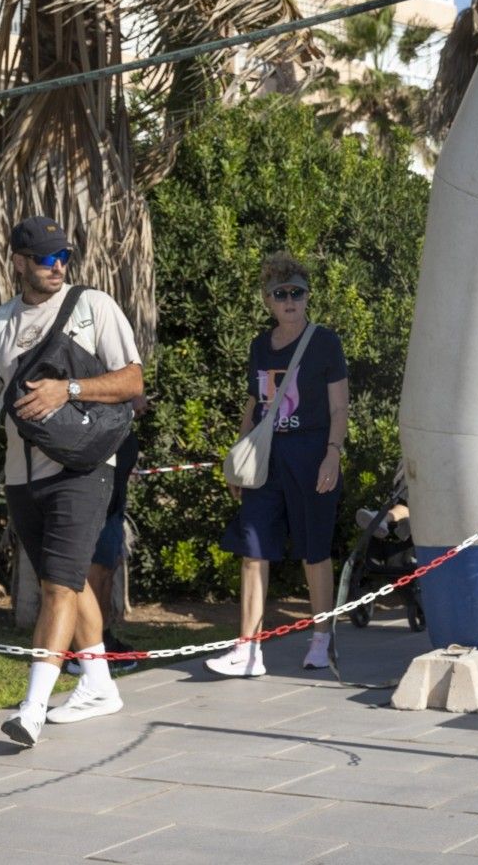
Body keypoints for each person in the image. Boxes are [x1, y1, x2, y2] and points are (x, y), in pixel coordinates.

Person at [0, 216, 143, 747]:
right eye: (47, 258)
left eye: (64, 256)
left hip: (84, 467)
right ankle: (99, 684)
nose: (58, 266)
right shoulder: (0, 324)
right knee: (62, 577)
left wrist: (68, 389)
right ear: (20, 262)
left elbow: (132, 381)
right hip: (22, 476)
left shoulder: (94, 307)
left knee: (57, 585)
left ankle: (31, 709)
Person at [207, 253, 348, 677]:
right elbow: (254, 404)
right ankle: (248, 650)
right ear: (267, 300)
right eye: (280, 294)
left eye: (297, 293)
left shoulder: (325, 342)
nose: (289, 301)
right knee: (253, 549)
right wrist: (239, 458)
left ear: (307, 297)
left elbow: (339, 406)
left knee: (314, 551)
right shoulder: (259, 346)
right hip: (267, 458)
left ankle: (321, 639)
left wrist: (332, 453)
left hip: (311, 454)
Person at [64, 396, 151, 678]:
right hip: (96, 477)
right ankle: (85, 648)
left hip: (115, 484)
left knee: (106, 568)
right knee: (94, 571)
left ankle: (101, 638)